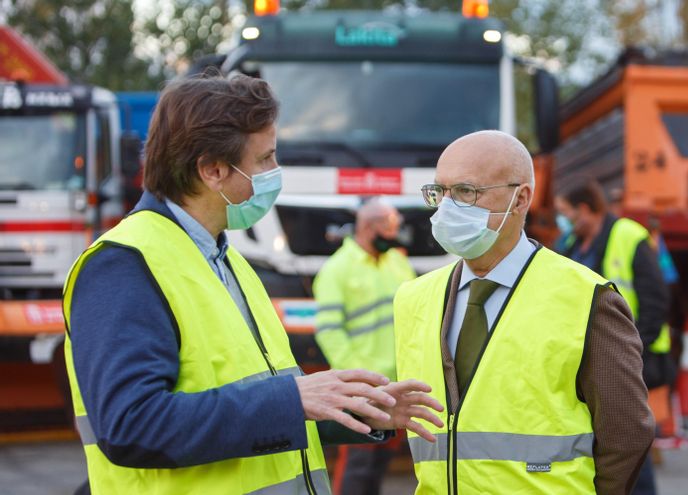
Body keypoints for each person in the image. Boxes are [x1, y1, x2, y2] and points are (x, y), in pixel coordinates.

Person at [61, 74, 443, 495]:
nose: (275, 173)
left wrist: (356, 411)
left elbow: (263, 417)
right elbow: (131, 426)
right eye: (265, 159)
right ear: (213, 170)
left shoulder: (228, 260)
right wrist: (292, 398)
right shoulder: (123, 263)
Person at [393, 130, 654, 494]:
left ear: (521, 199)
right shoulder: (413, 298)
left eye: (466, 192)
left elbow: (625, 432)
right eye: (440, 192)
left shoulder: (587, 299)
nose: (447, 208)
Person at [555, 180, 674, 495]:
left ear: (584, 210)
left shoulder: (628, 235)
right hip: (580, 357)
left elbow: (655, 300)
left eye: (565, 213)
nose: (562, 220)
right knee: (594, 436)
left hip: (627, 358)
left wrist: (633, 350)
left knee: (626, 435)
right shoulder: (568, 244)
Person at [313, 199, 416, 495]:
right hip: (363, 386)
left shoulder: (396, 260)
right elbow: (329, 332)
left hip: (397, 382)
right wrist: (357, 379)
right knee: (358, 463)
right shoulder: (337, 270)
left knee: (381, 460)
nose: (395, 235)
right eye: (389, 228)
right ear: (369, 228)